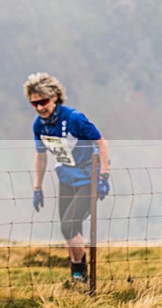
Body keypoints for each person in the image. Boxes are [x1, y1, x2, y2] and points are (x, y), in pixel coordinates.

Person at [26, 73, 110, 285]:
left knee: (68, 225)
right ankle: (78, 276)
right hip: (66, 178)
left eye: (43, 102)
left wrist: (103, 176)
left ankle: (79, 273)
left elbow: (101, 143)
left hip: (87, 178)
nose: (39, 107)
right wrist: (37, 188)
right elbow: (41, 156)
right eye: (34, 103)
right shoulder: (39, 125)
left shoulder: (74, 118)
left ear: (54, 97)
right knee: (70, 229)